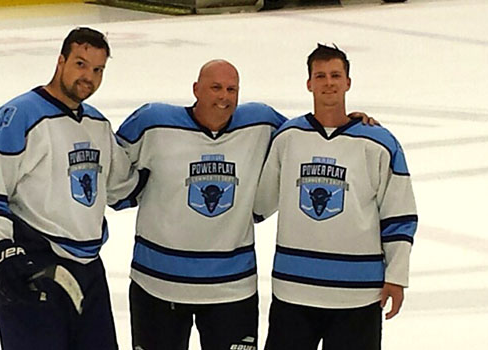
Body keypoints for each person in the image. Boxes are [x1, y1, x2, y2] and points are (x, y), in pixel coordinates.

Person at [115, 59, 376, 350]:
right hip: (158, 284)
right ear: (196, 89)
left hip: (233, 288)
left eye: (231, 89)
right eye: (215, 88)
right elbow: (113, 169)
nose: (224, 97)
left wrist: (348, 123)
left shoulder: (260, 122)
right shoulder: (153, 122)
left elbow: (308, 138)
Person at [0, 27, 145, 350]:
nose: (88, 77)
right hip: (34, 268)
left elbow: (123, 188)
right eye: (80, 64)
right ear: (60, 61)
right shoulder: (19, 116)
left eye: (97, 70)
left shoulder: (98, 125)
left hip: (89, 271)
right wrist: (1, 250)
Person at [253, 44, 418, 350]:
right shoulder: (288, 138)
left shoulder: (379, 143)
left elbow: (399, 214)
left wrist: (396, 276)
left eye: (335, 75)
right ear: (309, 83)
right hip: (294, 290)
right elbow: (258, 205)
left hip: (358, 294)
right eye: (320, 75)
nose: (328, 82)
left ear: (347, 82)